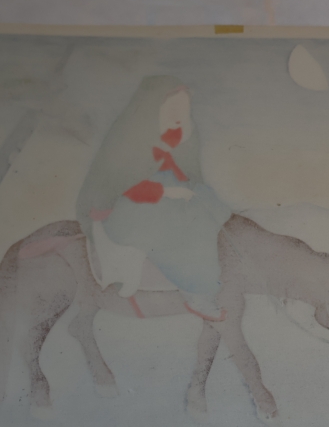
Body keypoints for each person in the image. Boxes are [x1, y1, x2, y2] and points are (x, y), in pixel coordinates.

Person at [76, 75, 232, 320]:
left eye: (184, 107)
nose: (179, 113)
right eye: (173, 107)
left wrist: (188, 191)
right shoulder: (129, 135)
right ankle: (196, 292)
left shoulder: (185, 134)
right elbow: (115, 186)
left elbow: (191, 175)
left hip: (170, 194)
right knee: (168, 226)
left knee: (206, 206)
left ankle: (208, 277)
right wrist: (165, 192)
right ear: (154, 107)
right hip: (125, 206)